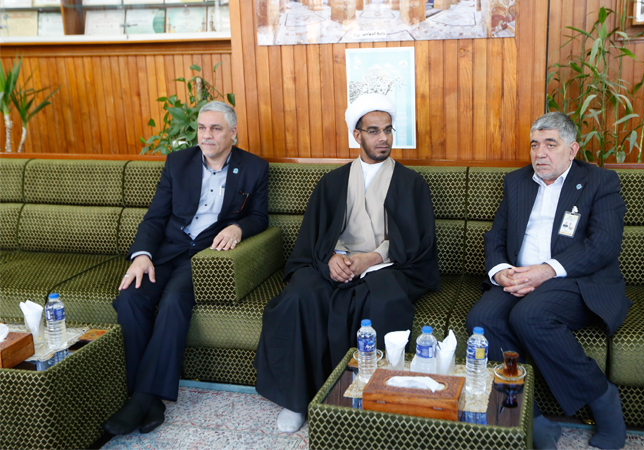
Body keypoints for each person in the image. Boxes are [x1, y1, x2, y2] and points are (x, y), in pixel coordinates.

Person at [254, 93, 440, 433]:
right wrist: (330, 259)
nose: (383, 138)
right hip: (336, 262)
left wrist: (372, 258)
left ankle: (374, 401)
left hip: (388, 265)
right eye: (374, 131)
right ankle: (297, 400)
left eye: (388, 130)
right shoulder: (332, 182)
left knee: (381, 302)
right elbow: (314, 238)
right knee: (299, 297)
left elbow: (416, 243)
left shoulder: (411, 183)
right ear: (357, 135)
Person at [466, 112, 631, 449]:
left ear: (572, 149)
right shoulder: (517, 182)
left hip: (575, 279)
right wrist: (500, 270)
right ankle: (531, 418)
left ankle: (604, 401)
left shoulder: (600, 182)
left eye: (550, 144)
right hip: (519, 276)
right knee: (481, 320)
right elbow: (496, 236)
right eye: (534, 145)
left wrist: (547, 270)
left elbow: (603, 244)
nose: (539, 153)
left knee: (530, 315)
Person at [104, 101, 269, 435]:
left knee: (174, 301)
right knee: (130, 298)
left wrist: (238, 228)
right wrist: (142, 255)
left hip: (207, 256)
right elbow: (155, 217)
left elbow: (258, 217)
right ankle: (149, 401)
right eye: (202, 128)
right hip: (167, 250)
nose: (206, 135)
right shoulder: (178, 163)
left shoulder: (254, 167)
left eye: (216, 128)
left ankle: (140, 398)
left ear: (233, 133)